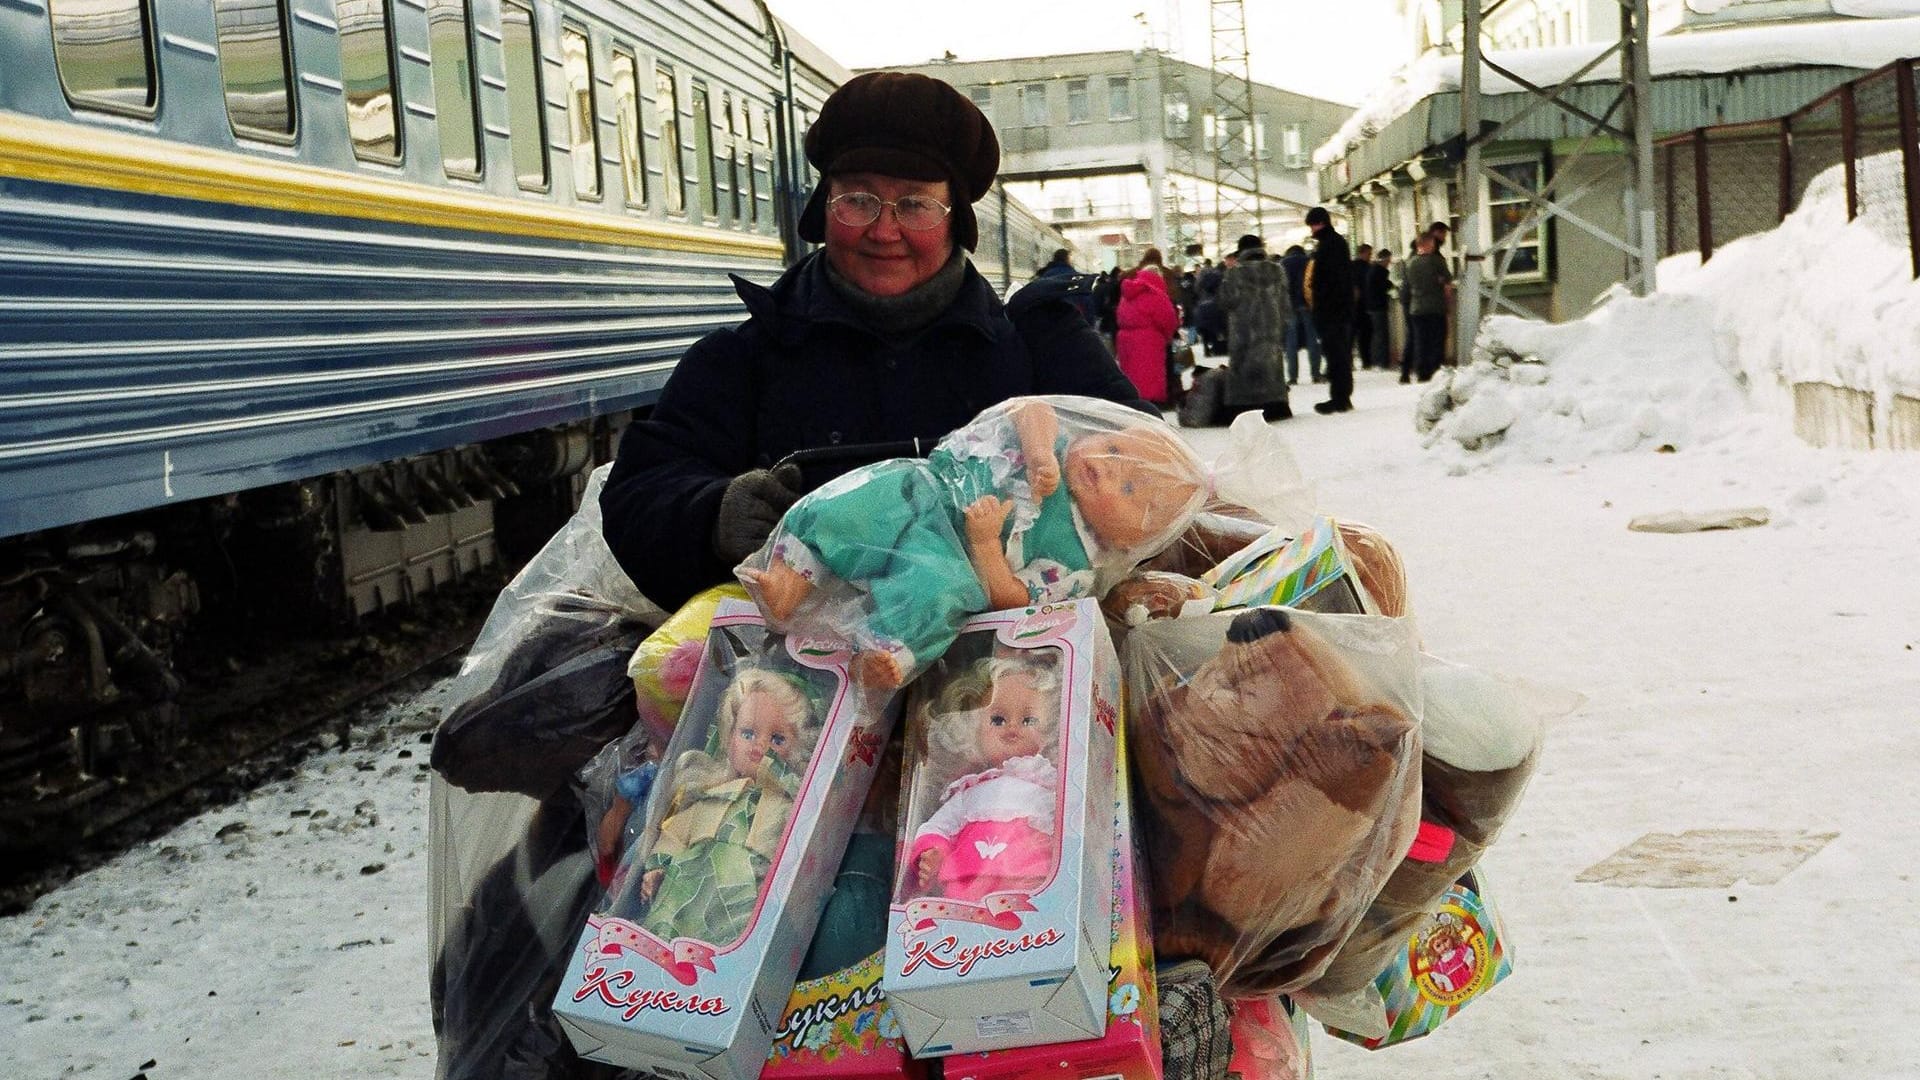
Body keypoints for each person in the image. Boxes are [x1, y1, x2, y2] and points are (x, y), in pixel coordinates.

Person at [598, 71, 1153, 614]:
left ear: (955, 218)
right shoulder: (743, 358)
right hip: (796, 688)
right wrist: (713, 516)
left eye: (914, 204)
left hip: (1012, 690)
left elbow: (1157, 467)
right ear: (824, 209)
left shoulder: (1041, 345)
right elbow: (640, 493)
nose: (884, 231)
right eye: (858, 200)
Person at [740, 396, 1207, 688]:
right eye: (1115, 448)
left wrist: (985, 545)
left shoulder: (1076, 564)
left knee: (939, 594)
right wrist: (1041, 451)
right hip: (927, 491)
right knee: (856, 502)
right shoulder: (1057, 449)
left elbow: (1012, 599)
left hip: (952, 556)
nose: (1106, 466)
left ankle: (884, 652)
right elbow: (1032, 410)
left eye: (1128, 490)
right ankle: (790, 581)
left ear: (1133, 539)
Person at [613, 667, 822, 945]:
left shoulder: (789, 804)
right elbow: (674, 835)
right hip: (684, 888)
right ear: (729, 735)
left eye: (777, 739)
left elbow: (800, 854)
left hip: (748, 899)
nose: (759, 746)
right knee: (666, 937)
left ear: (798, 747)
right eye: (748, 733)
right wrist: (657, 867)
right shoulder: (709, 796)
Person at [907, 651, 1063, 901]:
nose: (1012, 728)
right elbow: (936, 827)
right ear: (974, 728)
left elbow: (1070, 830)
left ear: (1050, 728)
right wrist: (935, 851)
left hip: (1032, 880)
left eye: (1028, 720)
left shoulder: (1051, 785)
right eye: (998, 719)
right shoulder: (970, 790)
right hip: (965, 882)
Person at [1216, 233, 1293, 421]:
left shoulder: (1235, 273)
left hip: (1244, 332)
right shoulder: (1277, 270)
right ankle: (1276, 406)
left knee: (1243, 369)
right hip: (1271, 330)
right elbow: (1285, 303)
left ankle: (1244, 408)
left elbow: (1226, 301)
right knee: (1272, 367)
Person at [1304, 207, 1356, 414]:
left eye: (1312, 224)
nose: (1311, 229)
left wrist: (1321, 304)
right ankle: (1342, 396)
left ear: (1320, 223)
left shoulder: (1330, 245)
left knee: (1336, 355)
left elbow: (1330, 280)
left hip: (1331, 310)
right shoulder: (1335, 243)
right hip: (1337, 309)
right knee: (1339, 354)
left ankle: (1339, 398)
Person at [1115, 260, 1181, 405]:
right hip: (1149, 338)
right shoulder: (1156, 293)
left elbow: (1120, 315)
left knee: (1132, 373)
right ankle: (1151, 403)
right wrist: (1168, 335)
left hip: (1125, 339)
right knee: (1149, 373)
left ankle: (1134, 399)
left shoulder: (1128, 292)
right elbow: (1167, 319)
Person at [1405, 231, 1454, 382]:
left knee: (1420, 341)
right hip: (1435, 306)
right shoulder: (1436, 261)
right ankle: (1436, 370)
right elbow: (1447, 280)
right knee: (1437, 340)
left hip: (1416, 307)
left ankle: (1422, 372)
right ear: (1429, 243)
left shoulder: (1410, 263)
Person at [1279, 244, 1321, 384]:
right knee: (1312, 339)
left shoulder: (1283, 264)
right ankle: (1315, 374)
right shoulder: (1309, 261)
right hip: (1308, 304)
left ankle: (1292, 377)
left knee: (1291, 341)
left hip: (1290, 305)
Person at [1366, 249, 1394, 371]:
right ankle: (1382, 361)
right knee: (1381, 334)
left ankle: (1376, 360)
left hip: (1371, 306)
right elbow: (1385, 285)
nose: (1389, 263)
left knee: (1376, 334)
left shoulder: (1372, 269)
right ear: (1385, 260)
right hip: (1378, 306)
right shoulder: (1380, 271)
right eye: (1388, 261)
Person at [1351, 243, 1374, 369]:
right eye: (1369, 254)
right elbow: (1356, 288)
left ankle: (1353, 361)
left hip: (1356, 305)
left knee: (1354, 334)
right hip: (1362, 305)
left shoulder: (1351, 266)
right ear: (1363, 253)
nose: (1370, 256)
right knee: (1365, 334)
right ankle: (1366, 361)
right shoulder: (1365, 267)